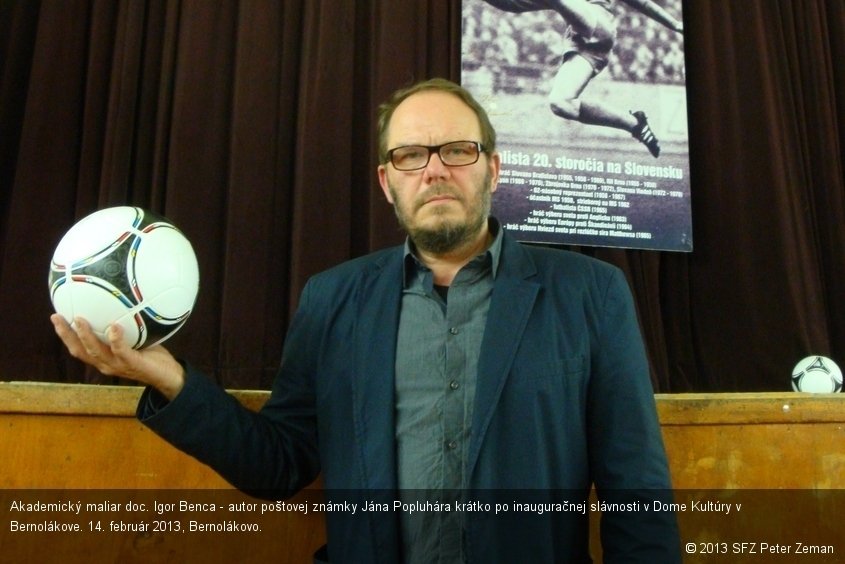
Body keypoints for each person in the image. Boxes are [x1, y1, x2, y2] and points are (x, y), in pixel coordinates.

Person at [51, 77, 681, 562]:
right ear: (387, 181)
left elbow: (638, 493)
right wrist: (171, 381)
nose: (434, 169)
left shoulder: (591, 294)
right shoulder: (333, 300)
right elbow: (281, 464)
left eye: (458, 150)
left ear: (493, 166)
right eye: (410, 156)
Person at [481, 0, 684, 157]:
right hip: (584, 45)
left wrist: (674, 24)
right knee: (561, 103)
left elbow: (644, 3)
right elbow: (514, 5)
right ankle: (634, 124)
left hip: (599, 24)